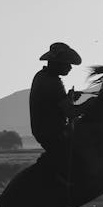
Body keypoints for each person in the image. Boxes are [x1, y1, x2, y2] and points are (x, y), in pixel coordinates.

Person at [29, 42, 94, 181]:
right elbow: (70, 113)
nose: (70, 67)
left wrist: (69, 98)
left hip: (46, 131)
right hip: (53, 133)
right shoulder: (52, 82)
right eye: (67, 63)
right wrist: (89, 104)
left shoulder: (42, 76)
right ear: (57, 63)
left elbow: (56, 104)